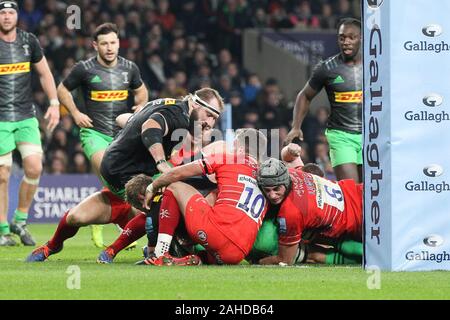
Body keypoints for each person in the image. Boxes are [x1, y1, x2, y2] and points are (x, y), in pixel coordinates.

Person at [26, 88, 224, 262]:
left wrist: (130, 129)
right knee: (165, 202)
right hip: (125, 177)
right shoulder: (178, 115)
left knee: (78, 217)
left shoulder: (170, 106)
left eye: (215, 118)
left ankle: (75, 247)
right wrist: (160, 161)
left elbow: (123, 119)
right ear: (194, 103)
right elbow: (150, 128)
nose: (211, 123)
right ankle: (158, 251)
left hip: (127, 176)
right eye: (209, 114)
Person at [57, 22, 148, 248]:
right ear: (95, 45)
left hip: (121, 136)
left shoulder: (130, 69)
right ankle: (120, 218)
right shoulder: (84, 69)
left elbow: (142, 91)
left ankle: (106, 217)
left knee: (118, 180)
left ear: (119, 43)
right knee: (108, 167)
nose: (109, 47)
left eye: (113, 42)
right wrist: (75, 112)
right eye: (104, 43)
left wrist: (141, 105)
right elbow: (62, 90)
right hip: (94, 132)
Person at [138, 128, 268, 266]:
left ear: (240, 149)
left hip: (215, 233)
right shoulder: (265, 177)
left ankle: (160, 254)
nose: (230, 148)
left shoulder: (227, 158)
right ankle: (196, 258)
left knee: (174, 185)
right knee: (216, 195)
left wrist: (153, 186)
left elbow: (177, 174)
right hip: (237, 254)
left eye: (233, 145)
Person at [0, 1, 59, 246]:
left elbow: (44, 73)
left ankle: (20, 221)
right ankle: (3, 229)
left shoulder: (29, 41)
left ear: (17, 16)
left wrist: (54, 102)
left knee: (34, 167)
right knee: (2, 175)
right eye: (2, 13)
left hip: (25, 115)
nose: (6, 17)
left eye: (10, 12)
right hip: (0, 118)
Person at [285, 18, 362, 183]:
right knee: (352, 190)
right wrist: (296, 127)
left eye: (351, 37)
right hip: (341, 136)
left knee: (369, 191)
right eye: (342, 38)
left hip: (371, 135)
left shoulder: (375, 66)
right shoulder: (326, 68)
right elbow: (304, 95)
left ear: (361, 38)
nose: (346, 42)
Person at [256, 157, 362, 265]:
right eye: (267, 190)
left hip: (360, 220)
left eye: (276, 189)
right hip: (359, 191)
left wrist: (258, 262)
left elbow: (285, 260)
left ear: (285, 182)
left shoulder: (291, 213)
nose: (272, 195)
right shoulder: (293, 172)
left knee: (372, 256)